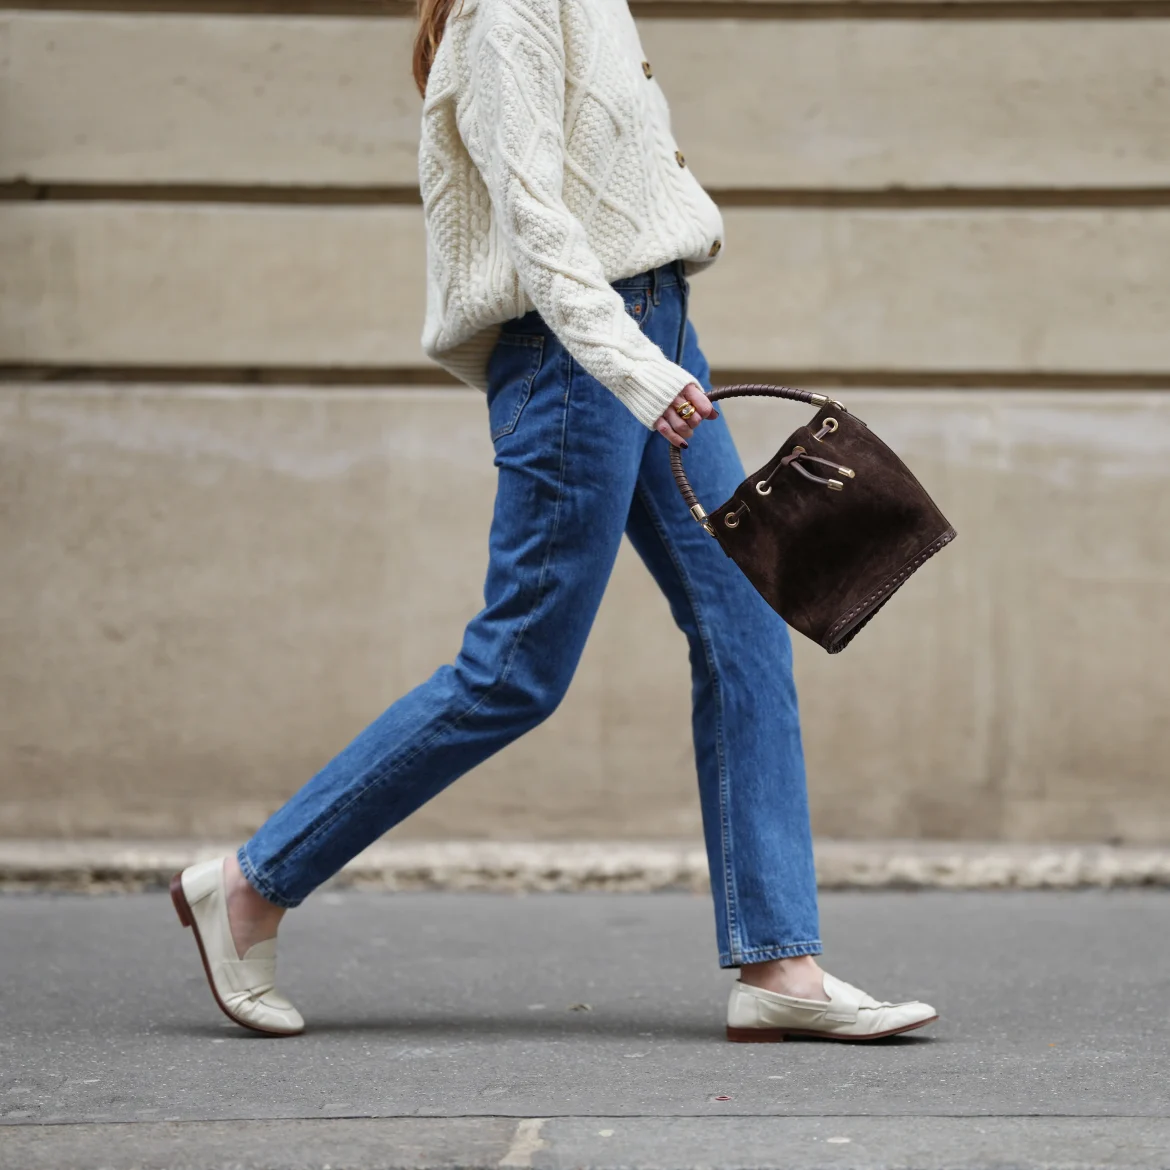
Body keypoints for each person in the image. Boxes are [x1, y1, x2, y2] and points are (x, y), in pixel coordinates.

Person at [171, 0, 938, 1043]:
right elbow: (535, 220)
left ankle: (780, 966)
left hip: (652, 328)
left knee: (746, 626)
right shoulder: (511, 7)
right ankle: (250, 884)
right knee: (514, 669)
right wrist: (632, 367)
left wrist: (654, 348)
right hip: (580, 359)